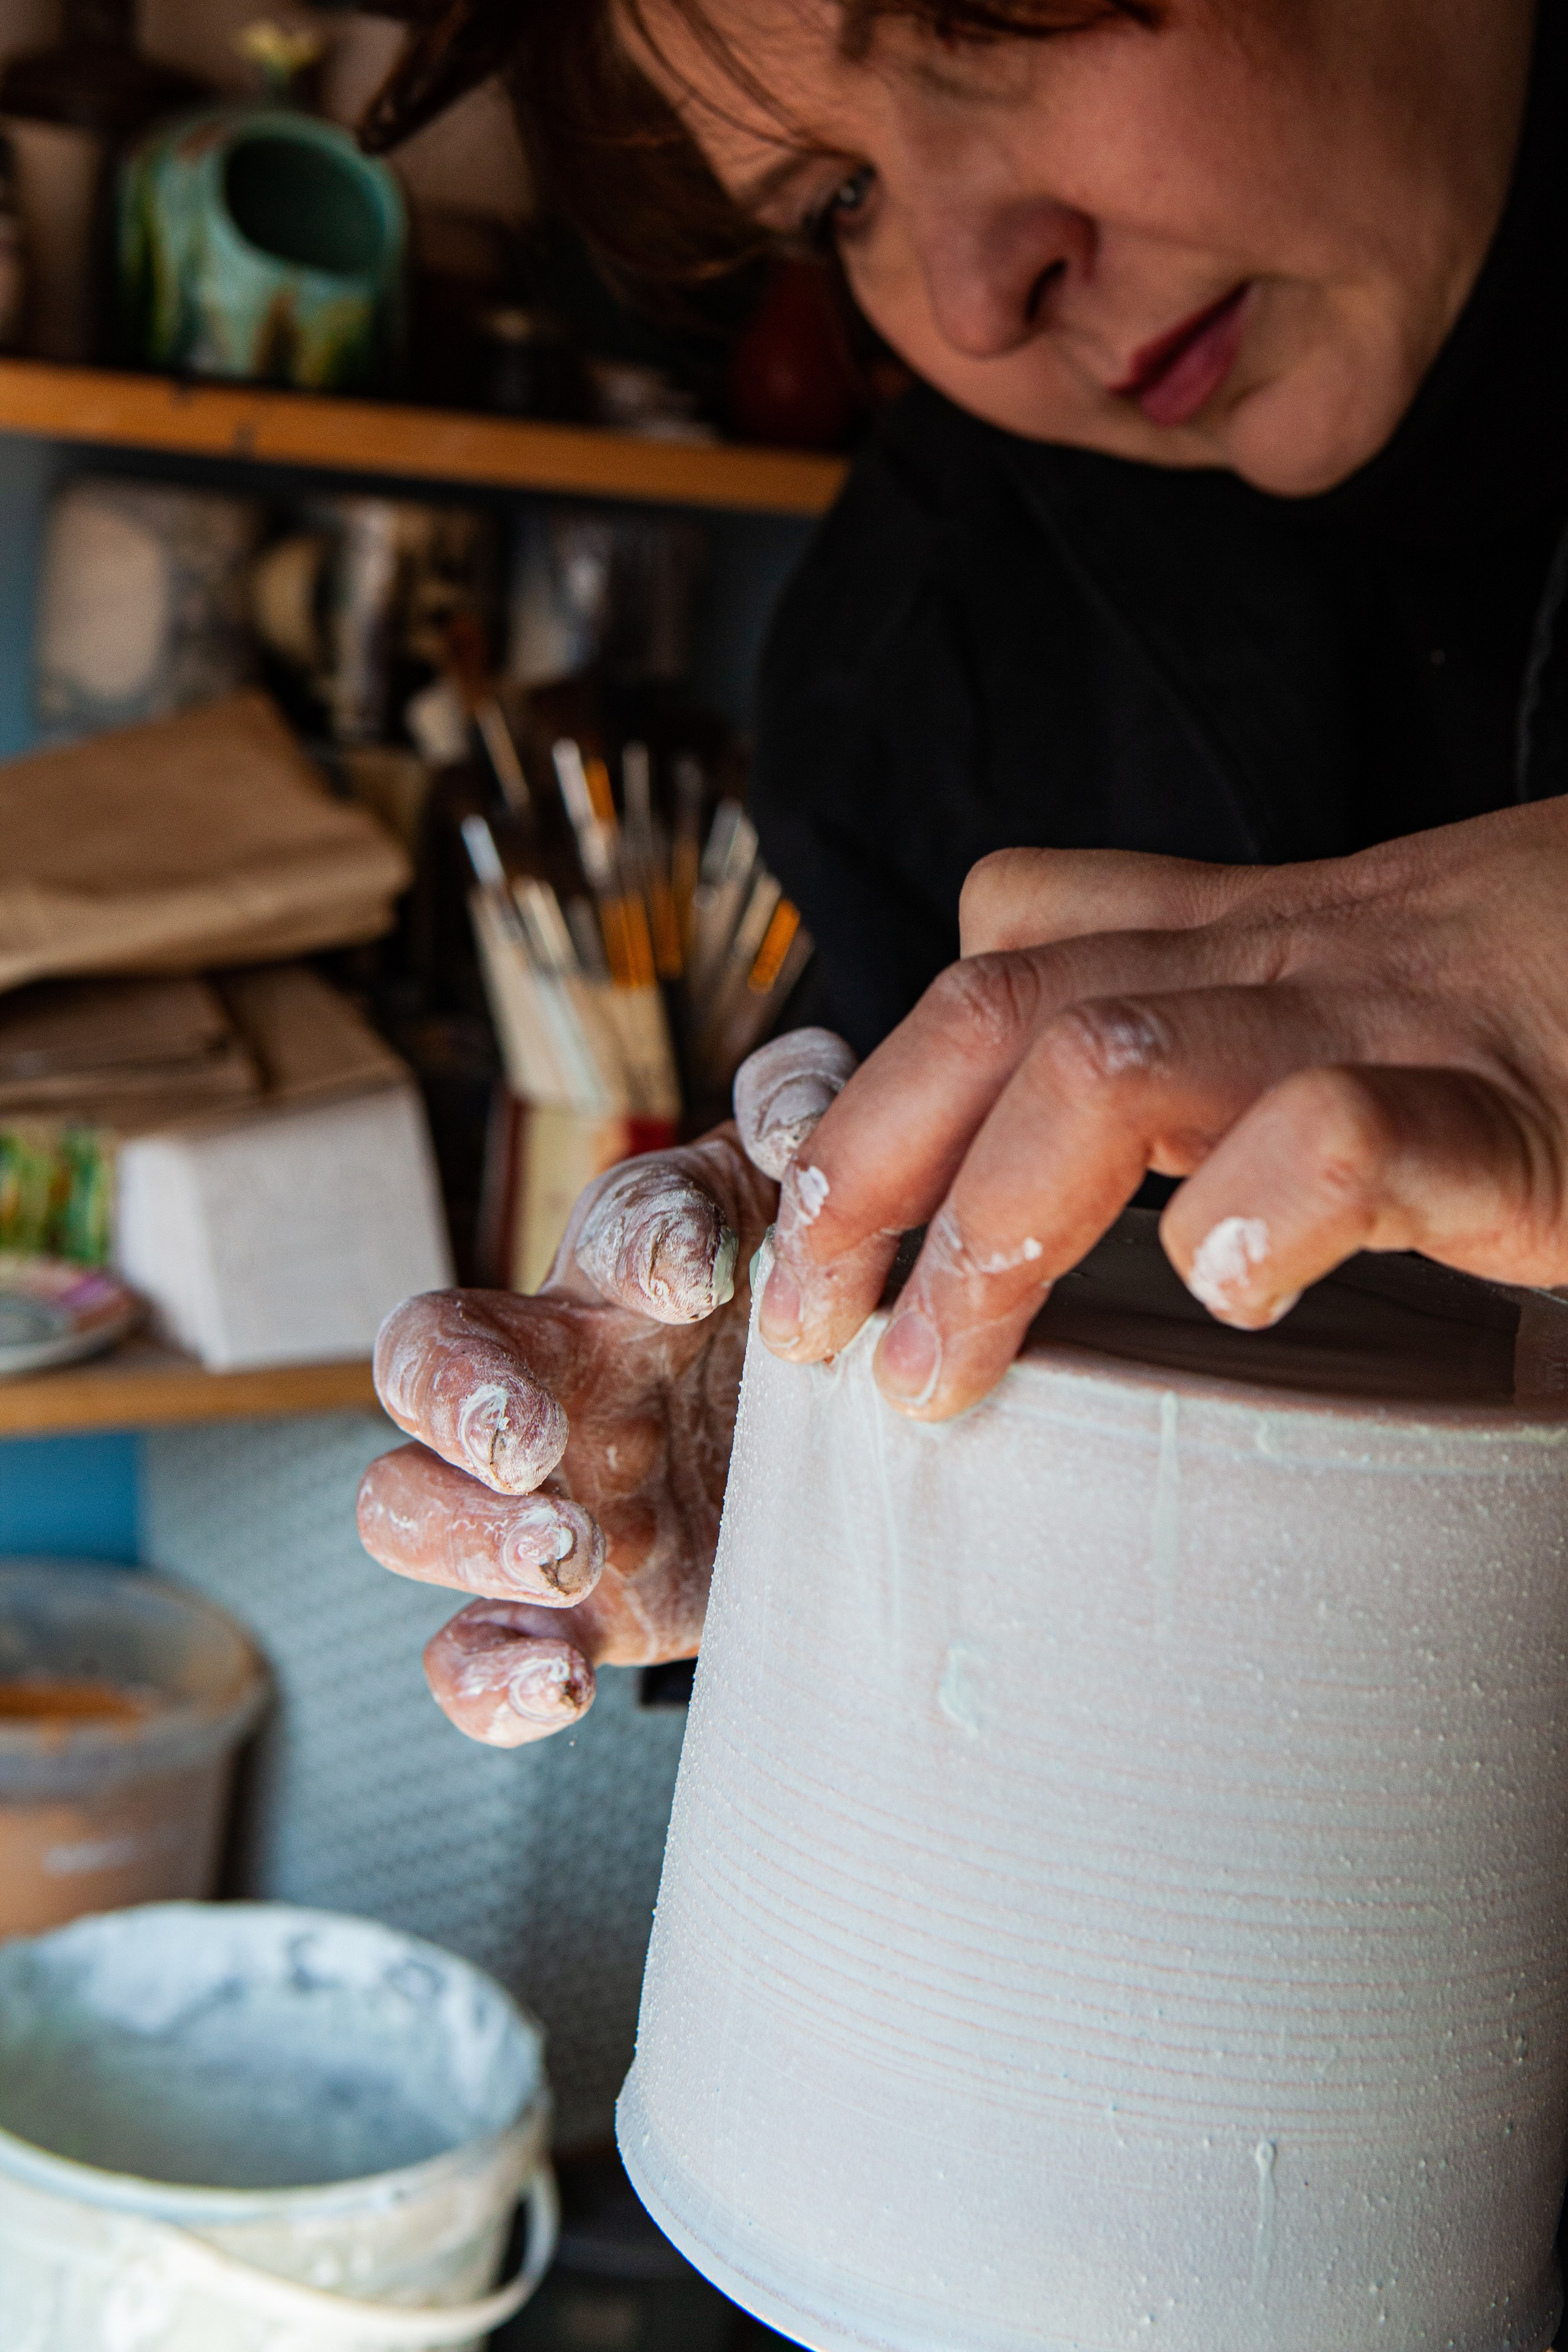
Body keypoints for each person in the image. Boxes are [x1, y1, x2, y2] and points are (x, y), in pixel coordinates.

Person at [356, 0, 1568, 1746]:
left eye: (999, 10)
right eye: (836, 193)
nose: (975, 286)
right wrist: (795, 1472)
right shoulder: (917, 645)